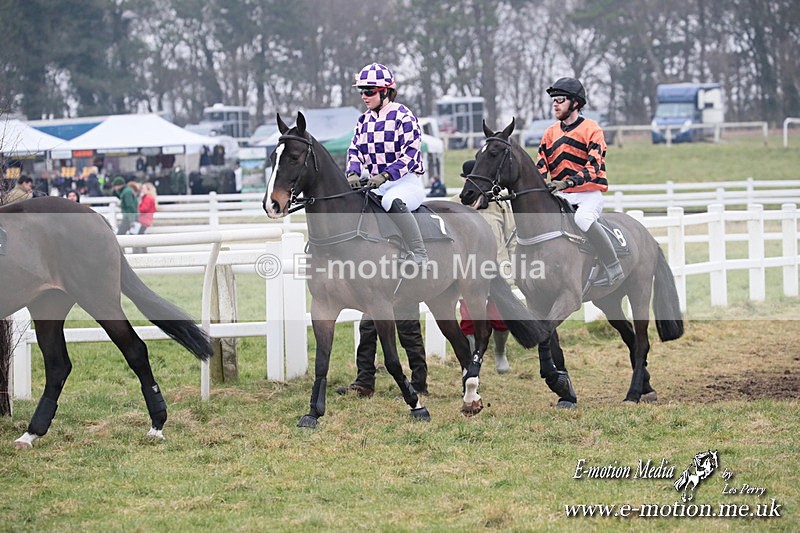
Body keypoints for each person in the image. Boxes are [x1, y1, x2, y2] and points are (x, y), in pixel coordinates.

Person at [537, 77, 624, 286]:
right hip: (561, 196)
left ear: (575, 103)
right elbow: (541, 166)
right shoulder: (549, 133)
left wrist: (566, 184)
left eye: (560, 100)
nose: (555, 104)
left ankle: (613, 266)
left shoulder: (592, 129)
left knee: (583, 220)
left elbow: (593, 169)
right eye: (553, 100)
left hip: (587, 195)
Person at [346, 62, 428, 268]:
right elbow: (354, 150)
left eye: (369, 91)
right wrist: (353, 173)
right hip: (375, 185)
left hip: (404, 183)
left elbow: (410, 154)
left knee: (391, 201)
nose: (364, 96)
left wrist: (385, 175)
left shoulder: (404, 116)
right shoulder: (363, 121)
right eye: (361, 92)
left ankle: (420, 253)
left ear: (385, 92)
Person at [457, 160, 516, 373]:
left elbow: (512, 237)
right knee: (469, 317)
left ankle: (500, 352)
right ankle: (475, 356)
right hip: (467, 270)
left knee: (500, 317)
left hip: (497, 268)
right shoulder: (454, 204)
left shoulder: (499, 205)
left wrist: (512, 263)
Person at [336, 304, 428, 397]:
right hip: (378, 297)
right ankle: (364, 383)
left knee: (408, 332)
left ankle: (419, 385)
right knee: (367, 327)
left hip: (402, 295)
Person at [133, 182, 157, 254]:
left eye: (143, 188)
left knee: (139, 236)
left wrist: (137, 207)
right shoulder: (149, 197)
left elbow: (144, 209)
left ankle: (140, 252)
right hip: (145, 220)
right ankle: (142, 252)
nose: (142, 190)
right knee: (140, 235)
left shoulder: (148, 198)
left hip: (144, 220)